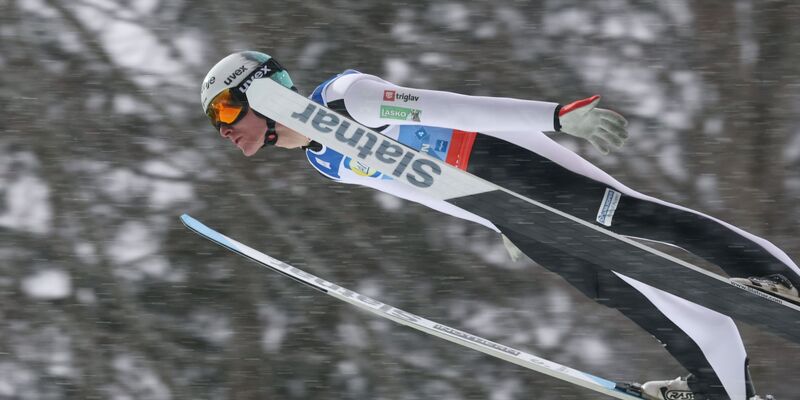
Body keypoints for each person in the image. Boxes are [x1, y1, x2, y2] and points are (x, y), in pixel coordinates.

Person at [200, 51, 793, 400]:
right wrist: (495, 220)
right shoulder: (324, 161)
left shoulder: (344, 98)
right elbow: (418, 186)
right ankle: (716, 385)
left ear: (261, 89)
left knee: (634, 219)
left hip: (500, 157)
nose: (224, 130)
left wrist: (554, 117)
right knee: (617, 286)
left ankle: (779, 280)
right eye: (214, 122)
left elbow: (445, 106)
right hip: (496, 203)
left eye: (226, 109)